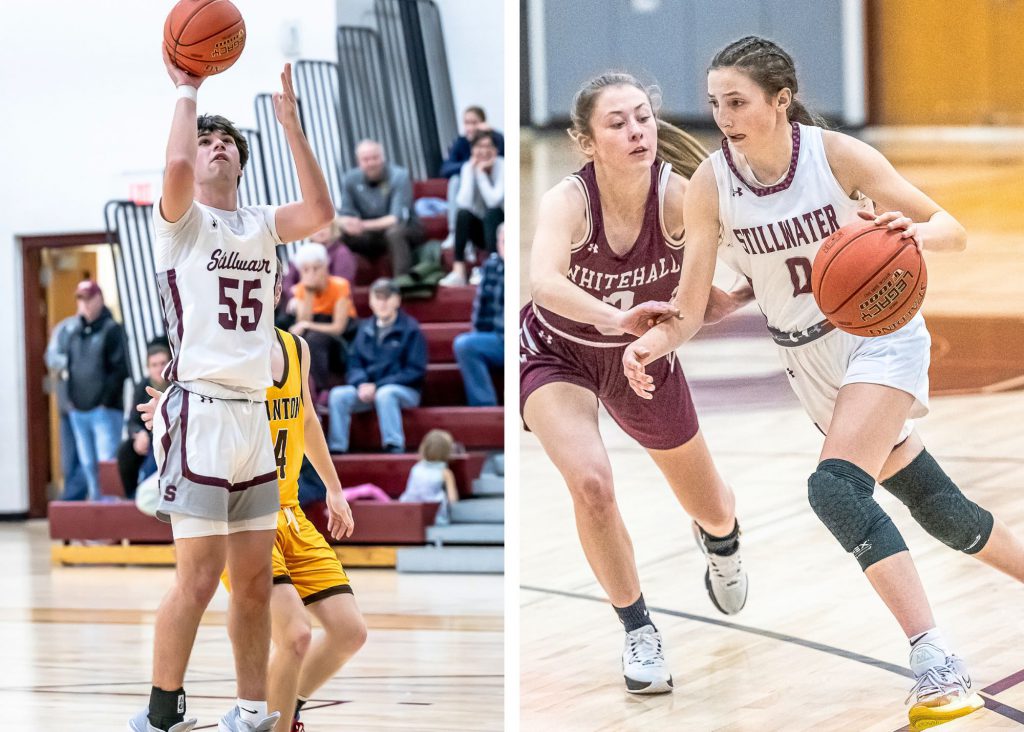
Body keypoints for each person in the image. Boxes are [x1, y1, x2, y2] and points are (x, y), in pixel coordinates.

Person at [622, 36, 1024, 728]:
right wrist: (655, 342)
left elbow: (949, 226)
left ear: (780, 101)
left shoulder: (836, 156)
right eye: (716, 103)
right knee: (942, 511)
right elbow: (695, 305)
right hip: (805, 364)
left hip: (878, 337)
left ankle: (937, 660)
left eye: (739, 101)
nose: (723, 116)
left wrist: (916, 235)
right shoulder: (713, 183)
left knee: (833, 489)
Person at [520, 72, 749, 695]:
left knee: (713, 505)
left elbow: (746, 254)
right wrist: (615, 316)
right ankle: (638, 629)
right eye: (617, 123)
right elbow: (543, 282)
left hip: (643, 357)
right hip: (558, 351)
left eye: (643, 117)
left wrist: (722, 296)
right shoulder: (568, 201)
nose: (636, 131)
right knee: (591, 484)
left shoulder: (681, 197)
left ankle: (722, 542)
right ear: (586, 141)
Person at [129, 50, 335, 732]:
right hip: (201, 410)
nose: (215, 149)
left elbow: (321, 210)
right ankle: (162, 713)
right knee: (198, 575)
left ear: (242, 164)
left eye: (227, 143)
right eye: (208, 141)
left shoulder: (262, 225)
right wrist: (187, 91)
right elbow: (178, 168)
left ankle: (251, 712)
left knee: (252, 582)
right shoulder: (181, 222)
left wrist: (292, 127)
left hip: (254, 419)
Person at [139, 260, 366, 732]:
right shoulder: (218, 354)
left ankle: (287, 701)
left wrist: (335, 488)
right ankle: (270, 719)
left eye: (270, 282)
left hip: (292, 513)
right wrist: (169, 406)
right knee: (297, 636)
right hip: (248, 513)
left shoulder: (296, 347)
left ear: (278, 289)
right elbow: (192, 405)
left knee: (349, 633)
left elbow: (305, 419)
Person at [327, 278, 427, 455]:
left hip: (405, 391)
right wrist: (361, 384)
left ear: (397, 300)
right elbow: (354, 363)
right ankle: (337, 449)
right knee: (338, 395)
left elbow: (415, 370)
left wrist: (378, 385)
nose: (382, 303)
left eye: (387, 298)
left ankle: (394, 445)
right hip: (368, 390)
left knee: (385, 394)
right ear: (371, 302)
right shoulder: (364, 329)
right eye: (378, 298)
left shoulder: (411, 329)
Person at [66, 279, 129, 501]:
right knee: (88, 467)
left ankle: (111, 520)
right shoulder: (74, 332)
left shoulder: (113, 330)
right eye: (81, 299)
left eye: (89, 298)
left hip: (105, 410)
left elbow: (121, 369)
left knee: (107, 465)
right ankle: (97, 519)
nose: (85, 304)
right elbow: (71, 368)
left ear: (100, 299)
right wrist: (71, 401)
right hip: (79, 410)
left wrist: (104, 401)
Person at [338, 140, 424, 277]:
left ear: (383, 157)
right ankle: (340, 286)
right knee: (336, 234)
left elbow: (395, 219)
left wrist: (361, 225)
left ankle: (402, 283)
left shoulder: (399, 176)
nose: (371, 163)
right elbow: (345, 214)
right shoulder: (350, 179)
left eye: (375, 158)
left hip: (405, 228)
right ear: (359, 162)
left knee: (394, 233)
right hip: (370, 234)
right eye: (366, 159)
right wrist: (345, 224)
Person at [286, 242, 357, 395]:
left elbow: (338, 328)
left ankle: (321, 390)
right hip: (316, 339)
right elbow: (301, 324)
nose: (311, 273)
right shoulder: (301, 289)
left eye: (316, 268)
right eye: (306, 270)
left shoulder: (340, 286)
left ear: (325, 267)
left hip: (342, 342)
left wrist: (307, 325)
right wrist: (309, 292)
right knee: (297, 339)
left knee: (314, 338)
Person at [440, 131, 505, 287]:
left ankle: (491, 267)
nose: (483, 150)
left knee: (492, 214)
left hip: (501, 227)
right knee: (462, 214)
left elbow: (494, 201)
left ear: (496, 150)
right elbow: (464, 202)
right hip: (480, 231)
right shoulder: (468, 168)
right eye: (479, 146)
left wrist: (481, 175)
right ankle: (459, 270)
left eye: (488, 146)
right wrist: (472, 172)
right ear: (472, 150)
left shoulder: (503, 166)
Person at [453, 223, 504, 406]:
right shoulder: (491, 266)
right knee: (465, 344)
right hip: (499, 339)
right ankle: (485, 406)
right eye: (504, 242)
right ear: (498, 244)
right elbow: (481, 308)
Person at [117, 342, 170, 498]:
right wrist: (139, 433)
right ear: (148, 368)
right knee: (125, 451)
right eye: (154, 365)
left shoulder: (177, 385)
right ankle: (131, 496)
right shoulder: (142, 387)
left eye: (163, 363)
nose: (159, 368)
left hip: (171, 438)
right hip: (147, 436)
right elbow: (132, 421)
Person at [44, 314, 88, 500]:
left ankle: (68, 502)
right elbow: (52, 359)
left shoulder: (104, 330)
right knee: (69, 463)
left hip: (90, 408)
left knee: (90, 462)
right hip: (67, 409)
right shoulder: (64, 329)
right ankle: (69, 506)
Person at [399, 429, 459, 525]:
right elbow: (452, 499)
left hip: (409, 510)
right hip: (433, 515)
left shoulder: (416, 468)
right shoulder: (445, 473)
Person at [438, 105, 505, 179]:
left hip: (493, 177)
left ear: (483, 124)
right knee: (455, 179)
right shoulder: (461, 142)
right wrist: (470, 164)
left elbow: (502, 157)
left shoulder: (494, 138)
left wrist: (492, 132)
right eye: (467, 123)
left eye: (474, 123)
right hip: (471, 178)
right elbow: (445, 169)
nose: (470, 128)